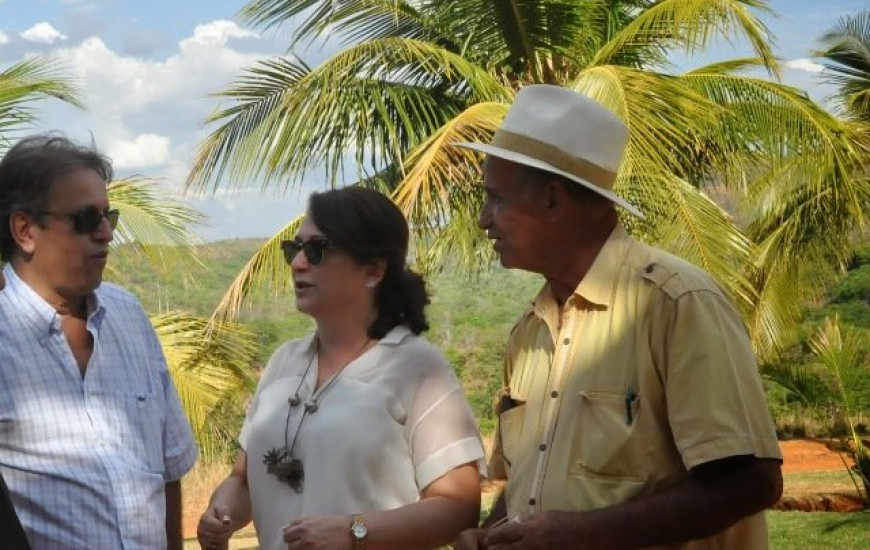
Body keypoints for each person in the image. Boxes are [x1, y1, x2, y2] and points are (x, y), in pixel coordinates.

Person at [454, 85, 783, 549]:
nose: (484, 219)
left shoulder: (677, 303)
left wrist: (588, 535)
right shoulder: (529, 331)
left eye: (496, 199)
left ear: (552, 200)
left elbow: (753, 482)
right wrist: (493, 533)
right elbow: (529, 481)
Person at [196, 186, 484, 550]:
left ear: (373, 270)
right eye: (294, 248)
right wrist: (221, 512)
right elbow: (243, 480)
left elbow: (458, 508)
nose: (298, 263)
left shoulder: (417, 368)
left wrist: (354, 532)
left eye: (317, 250)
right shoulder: (284, 362)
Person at [0, 135, 198, 550]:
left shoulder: (128, 316)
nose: (107, 234)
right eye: (86, 219)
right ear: (24, 230)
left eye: (110, 217)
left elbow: (167, 470)